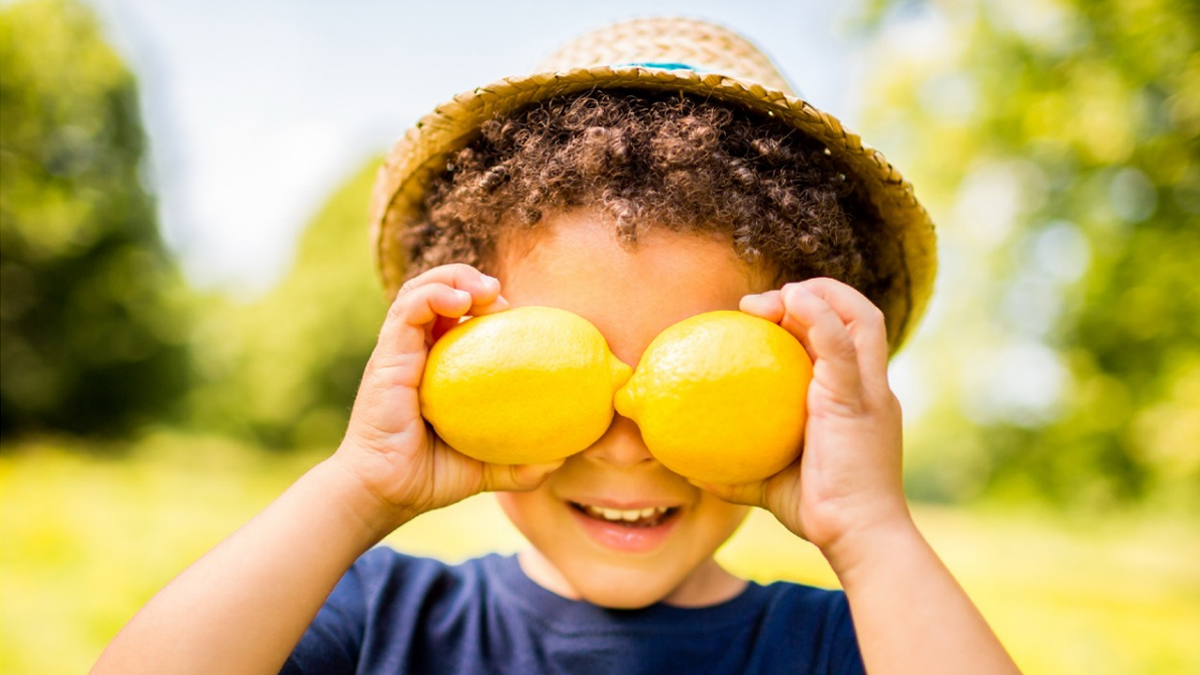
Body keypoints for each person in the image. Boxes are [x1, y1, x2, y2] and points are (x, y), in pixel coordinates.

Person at [91, 17, 1021, 675]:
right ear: (463, 353)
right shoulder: (374, 618)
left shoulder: (855, 643)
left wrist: (872, 533)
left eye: (692, 369)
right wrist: (357, 486)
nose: (626, 441)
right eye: (564, 364)